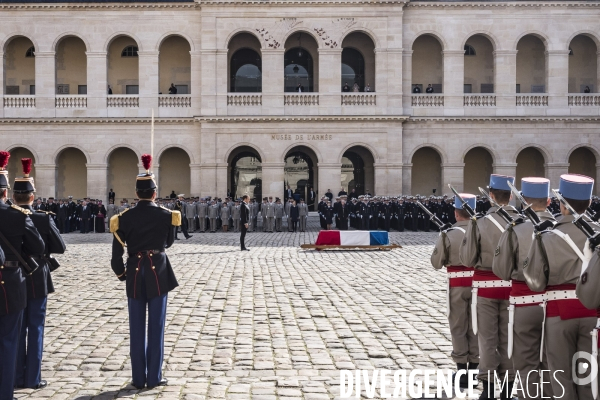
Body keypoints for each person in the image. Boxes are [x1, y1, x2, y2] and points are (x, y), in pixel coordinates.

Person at [524, 174, 599, 400]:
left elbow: (535, 281)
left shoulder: (548, 236)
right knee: (589, 375)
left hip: (559, 313)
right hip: (594, 313)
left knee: (560, 376)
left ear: (562, 205)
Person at [109, 154, 181, 390]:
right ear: (154, 192)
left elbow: (116, 257)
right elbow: (169, 244)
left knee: (136, 327)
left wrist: (123, 275)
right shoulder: (167, 215)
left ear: (136, 193)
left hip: (135, 274)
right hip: (158, 272)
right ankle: (154, 377)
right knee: (157, 326)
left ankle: (138, 378)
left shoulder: (122, 218)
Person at [492, 178, 555, 400]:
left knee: (526, 360)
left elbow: (501, 269)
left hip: (524, 303)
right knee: (552, 361)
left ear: (522, 201)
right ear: (549, 201)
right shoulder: (561, 226)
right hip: (556, 305)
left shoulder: (516, 228)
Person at [459, 174, 520, 400]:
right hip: (513, 287)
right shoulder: (523, 222)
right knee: (508, 338)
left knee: (486, 339)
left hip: (485, 287)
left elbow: (467, 259)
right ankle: (507, 387)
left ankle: (488, 388)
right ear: (511, 196)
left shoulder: (479, 222)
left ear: (491, 195)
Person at [12, 159, 66, 390]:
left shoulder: (8, 216)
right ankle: (33, 378)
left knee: (16, 328)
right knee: (36, 327)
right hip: (37, 277)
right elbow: (60, 246)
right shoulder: (43, 218)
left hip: (14, 277)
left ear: (13, 197)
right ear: (32, 197)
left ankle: (14, 375)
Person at [0, 151, 45, 400]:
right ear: (6, 192)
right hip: (9, 280)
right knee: (9, 339)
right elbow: (37, 248)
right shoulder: (19, 216)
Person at [431, 193, 479, 389]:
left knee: (458, 327)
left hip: (457, 286)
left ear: (456, 214)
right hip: (478, 286)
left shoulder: (448, 234)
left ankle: (461, 371)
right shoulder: (481, 232)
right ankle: (475, 371)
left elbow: (436, 262)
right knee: (476, 327)